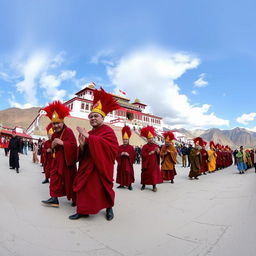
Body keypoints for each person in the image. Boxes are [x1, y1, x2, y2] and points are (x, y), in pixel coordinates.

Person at [70, 87, 120, 221]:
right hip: (87, 166)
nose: (93, 118)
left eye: (96, 116)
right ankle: (82, 210)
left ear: (102, 117)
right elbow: (83, 152)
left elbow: (112, 148)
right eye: (91, 116)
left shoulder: (108, 131)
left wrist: (89, 138)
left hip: (102, 167)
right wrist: (81, 145)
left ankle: (109, 207)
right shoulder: (90, 133)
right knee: (85, 189)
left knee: (103, 189)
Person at [41, 101, 77, 207]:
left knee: (70, 181)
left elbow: (74, 146)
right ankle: (54, 198)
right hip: (56, 161)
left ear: (62, 121)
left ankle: (75, 199)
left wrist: (62, 143)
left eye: (58, 123)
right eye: (54, 123)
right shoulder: (53, 135)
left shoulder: (68, 131)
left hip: (67, 162)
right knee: (54, 180)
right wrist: (52, 146)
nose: (56, 126)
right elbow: (52, 148)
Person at [140, 126, 163, 192]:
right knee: (145, 174)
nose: (150, 139)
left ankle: (154, 186)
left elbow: (159, 154)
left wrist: (158, 152)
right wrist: (149, 153)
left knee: (153, 175)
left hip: (154, 163)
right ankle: (143, 185)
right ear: (147, 139)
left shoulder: (156, 146)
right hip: (146, 163)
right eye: (149, 138)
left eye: (151, 138)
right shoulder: (145, 146)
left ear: (153, 138)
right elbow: (142, 155)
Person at [116, 126, 136, 190]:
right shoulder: (120, 147)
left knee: (128, 173)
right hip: (121, 163)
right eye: (124, 139)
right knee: (121, 173)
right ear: (122, 140)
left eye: (126, 139)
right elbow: (116, 155)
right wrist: (121, 154)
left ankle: (129, 185)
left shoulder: (131, 147)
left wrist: (128, 155)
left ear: (128, 140)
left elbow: (134, 155)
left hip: (128, 164)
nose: (125, 141)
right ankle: (121, 184)